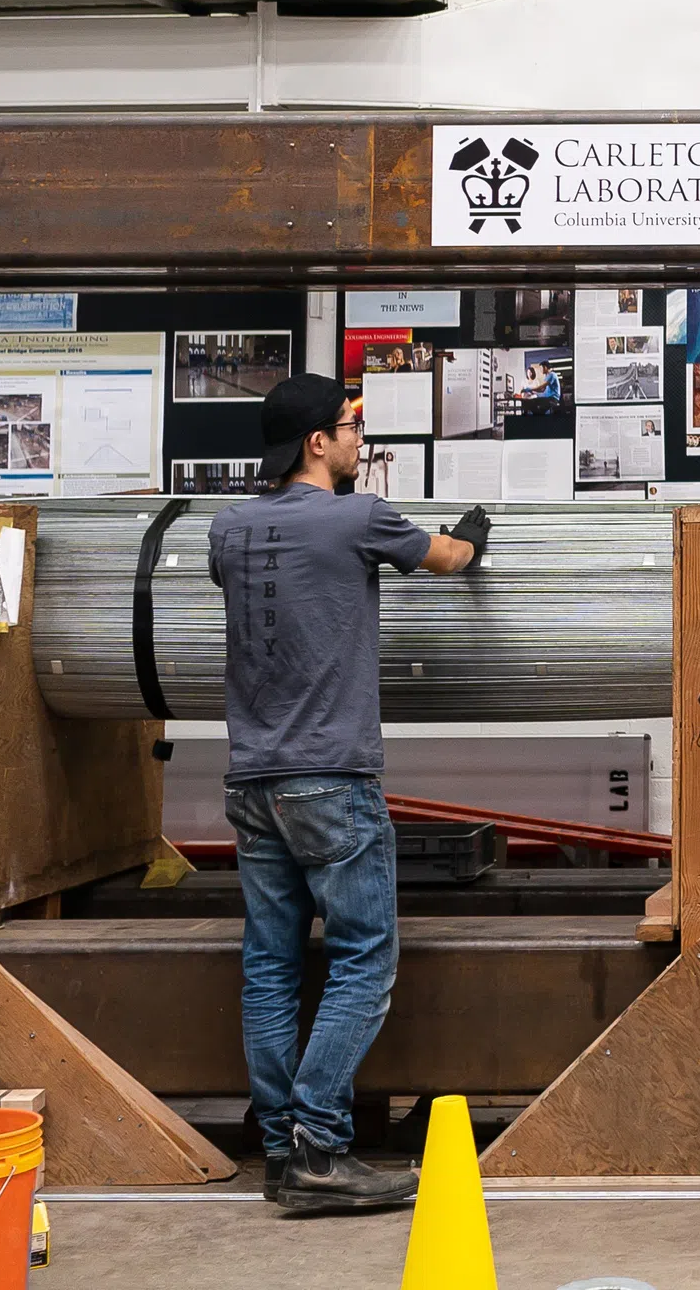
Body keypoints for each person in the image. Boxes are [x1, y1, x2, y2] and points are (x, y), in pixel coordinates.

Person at [208, 373, 489, 1215]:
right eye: (349, 426)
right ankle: (321, 1148)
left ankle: (277, 1154)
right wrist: (471, 535)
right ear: (315, 444)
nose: (359, 440)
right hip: (331, 779)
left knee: (270, 967)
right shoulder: (357, 518)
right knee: (365, 957)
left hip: (252, 781)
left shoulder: (228, 529)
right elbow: (447, 559)